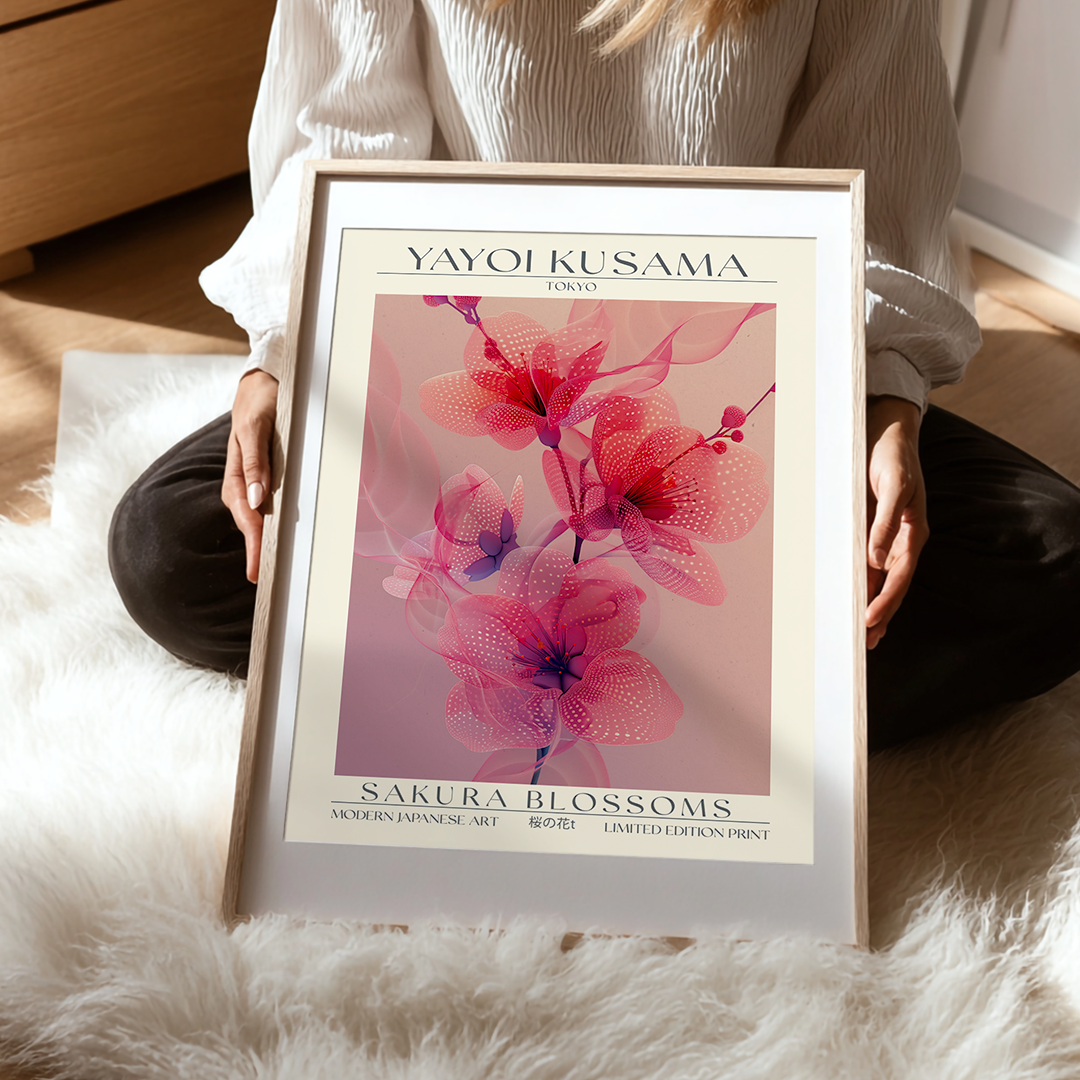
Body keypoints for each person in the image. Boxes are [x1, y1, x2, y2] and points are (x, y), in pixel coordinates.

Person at [109, 0, 1080, 749]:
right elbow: (337, 143)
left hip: (738, 387)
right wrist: (284, 356)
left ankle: (533, 686)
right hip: (478, 387)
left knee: (1056, 560)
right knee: (176, 547)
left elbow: (874, 175)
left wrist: (878, 401)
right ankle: (695, 698)